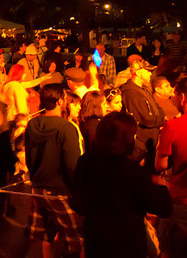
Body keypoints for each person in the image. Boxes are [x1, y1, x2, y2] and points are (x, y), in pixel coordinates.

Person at [73, 111, 172, 258]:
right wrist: (162, 186)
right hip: (126, 244)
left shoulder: (85, 161)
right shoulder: (132, 171)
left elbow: (77, 202)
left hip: (96, 241)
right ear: (125, 139)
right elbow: (163, 208)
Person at [23, 84, 82, 258]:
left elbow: (29, 157)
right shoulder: (66, 128)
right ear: (60, 101)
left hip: (38, 188)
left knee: (48, 234)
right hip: (60, 190)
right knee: (77, 238)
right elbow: (72, 165)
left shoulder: (33, 124)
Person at [155, 77, 187, 257]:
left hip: (180, 200)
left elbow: (160, 165)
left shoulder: (173, 126)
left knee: (170, 248)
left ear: (182, 98)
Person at [120, 60, 165, 171]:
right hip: (140, 149)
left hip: (149, 147)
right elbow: (145, 118)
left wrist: (160, 117)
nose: (151, 74)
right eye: (148, 71)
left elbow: (158, 108)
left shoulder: (144, 89)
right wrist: (161, 120)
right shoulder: (130, 92)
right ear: (138, 73)